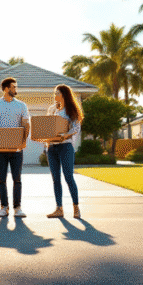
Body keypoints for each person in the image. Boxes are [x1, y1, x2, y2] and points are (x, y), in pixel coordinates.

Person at [0, 77, 30, 218]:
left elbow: (26, 124)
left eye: (16, 87)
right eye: (13, 87)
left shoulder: (21, 105)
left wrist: (24, 141)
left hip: (17, 149)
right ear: (6, 88)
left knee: (17, 179)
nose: (16, 90)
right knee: (1, 180)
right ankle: (4, 207)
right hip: (0, 149)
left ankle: (17, 208)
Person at [44, 84, 83, 219]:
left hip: (65, 147)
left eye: (57, 93)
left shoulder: (71, 110)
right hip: (52, 148)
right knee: (56, 179)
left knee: (68, 177)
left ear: (64, 95)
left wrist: (64, 136)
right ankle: (59, 209)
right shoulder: (52, 109)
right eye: (55, 93)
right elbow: (48, 127)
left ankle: (76, 208)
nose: (55, 95)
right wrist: (46, 141)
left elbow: (76, 129)